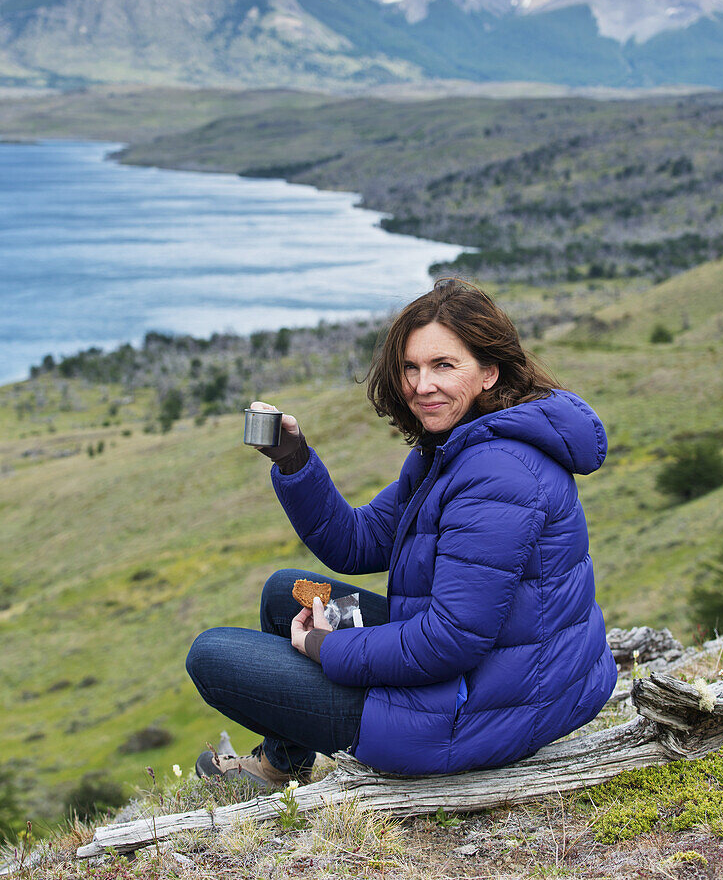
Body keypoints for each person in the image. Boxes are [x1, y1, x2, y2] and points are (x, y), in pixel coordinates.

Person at [186, 278, 617, 787]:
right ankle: (282, 766)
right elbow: (355, 541)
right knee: (288, 593)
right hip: (494, 676)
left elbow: (449, 641)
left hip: (477, 711)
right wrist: (294, 460)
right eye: (410, 367)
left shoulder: (499, 473)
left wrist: (323, 648)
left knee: (211, 655)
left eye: (443, 365)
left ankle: (287, 763)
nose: (420, 385)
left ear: (489, 372)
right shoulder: (456, 449)